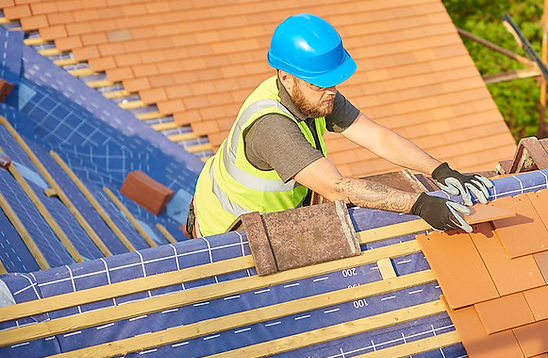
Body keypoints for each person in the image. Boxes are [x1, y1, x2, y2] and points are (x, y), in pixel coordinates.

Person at [187, 13, 493, 238]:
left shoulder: (315, 95)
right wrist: (421, 205)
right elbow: (337, 187)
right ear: (286, 78)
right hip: (227, 229)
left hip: (267, 213)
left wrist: (441, 171)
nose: (331, 91)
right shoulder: (271, 127)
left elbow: (377, 138)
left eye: (333, 81)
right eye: (320, 84)